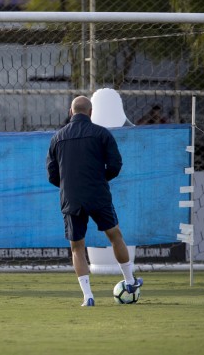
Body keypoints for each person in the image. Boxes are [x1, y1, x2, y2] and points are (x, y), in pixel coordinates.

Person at [46, 96, 142, 306]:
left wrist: (70, 186)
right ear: (90, 113)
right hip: (98, 194)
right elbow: (115, 165)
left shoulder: (57, 138)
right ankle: (129, 281)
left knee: (77, 247)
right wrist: (99, 180)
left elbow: (52, 175)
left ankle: (88, 296)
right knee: (115, 236)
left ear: (71, 112)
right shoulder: (101, 134)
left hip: (71, 198)